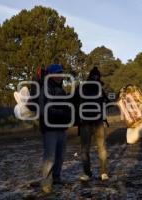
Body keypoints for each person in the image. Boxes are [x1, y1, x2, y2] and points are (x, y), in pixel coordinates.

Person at [27, 64, 72, 193]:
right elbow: (44, 110)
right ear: (51, 75)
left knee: (60, 156)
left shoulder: (61, 90)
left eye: (61, 73)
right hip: (50, 128)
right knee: (50, 157)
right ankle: (46, 182)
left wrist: (67, 113)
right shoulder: (44, 89)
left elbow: (65, 106)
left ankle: (56, 177)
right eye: (57, 73)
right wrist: (63, 113)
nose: (60, 76)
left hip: (61, 128)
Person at [74, 67, 109, 181]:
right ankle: (100, 173)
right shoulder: (98, 88)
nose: (95, 78)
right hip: (91, 122)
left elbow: (73, 101)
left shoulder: (82, 87)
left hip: (91, 122)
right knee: (98, 148)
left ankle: (90, 173)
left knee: (88, 149)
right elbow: (107, 102)